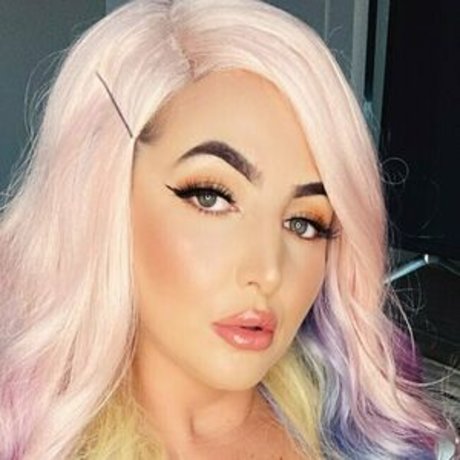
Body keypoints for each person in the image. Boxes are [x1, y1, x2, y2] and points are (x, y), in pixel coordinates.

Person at [0, 0, 457, 458]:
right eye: (211, 197)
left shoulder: (376, 433)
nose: (268, 272)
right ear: (100, 199)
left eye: (305, 223)